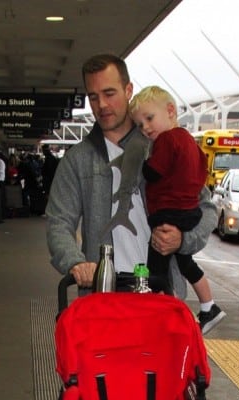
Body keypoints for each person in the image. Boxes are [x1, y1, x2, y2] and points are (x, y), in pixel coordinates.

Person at [46, 53, 217, 303]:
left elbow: (207, 208)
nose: (101, 104)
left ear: (128, 90)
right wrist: (75, 263)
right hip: (103, 297)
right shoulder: (77, 159)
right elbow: (58, 221)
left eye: (109, 93)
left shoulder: (163, 146)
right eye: (93, 97)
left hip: (162, 294)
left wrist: (183, 240)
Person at [129, 86, 226, 333]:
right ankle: (209, 306)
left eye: (149, 119)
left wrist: (145, 167)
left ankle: (166, 311)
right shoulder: (191, 143)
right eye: (140, 124)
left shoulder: (166, 140)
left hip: (168, 212)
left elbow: (154, 171)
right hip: (187, 211)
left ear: (170, 111)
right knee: (185, 263)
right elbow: (200, 174)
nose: (146, 128)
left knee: (157, 268)